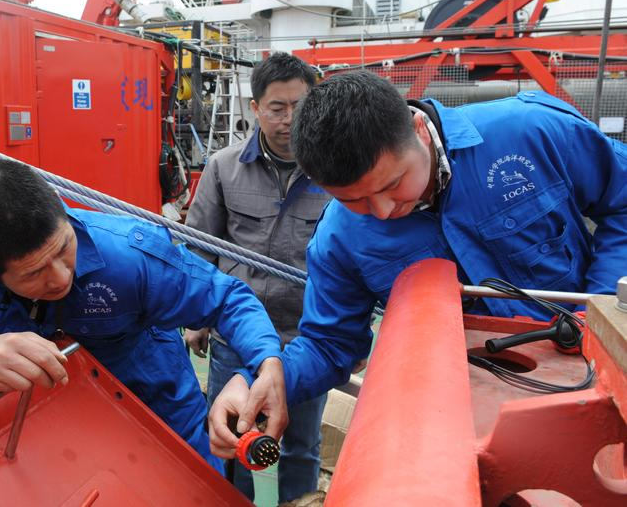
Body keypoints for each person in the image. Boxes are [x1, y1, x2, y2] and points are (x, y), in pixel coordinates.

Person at [208, 69, 627, 457]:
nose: (385, 210)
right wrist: (263, 379)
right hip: (459, 418)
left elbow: (622, 200)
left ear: (418, 130)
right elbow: (329, 344)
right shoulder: (339, 238)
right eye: (355, 201)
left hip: (598, 375)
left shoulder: (531, 133)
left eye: (392, 184)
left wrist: (599, 307)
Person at [0, 159, 287, 473]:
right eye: (34, 272)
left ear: (64, 215)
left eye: (63, 248)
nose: (61, 276)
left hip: (160, 410)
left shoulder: (130, 254)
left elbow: (229, 299)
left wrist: (266, 365)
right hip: (47, 426)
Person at [183, 52, 329, 503]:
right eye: (277, 109)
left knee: (301, 447)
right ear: (255, 109)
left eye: (300, 108)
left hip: (307, 340)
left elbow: (357, 263)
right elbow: (200, 246)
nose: (289, 120)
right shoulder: (223, 168)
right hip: (236, 341)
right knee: (231, 439)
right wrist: (197, 317)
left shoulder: (334, 171)